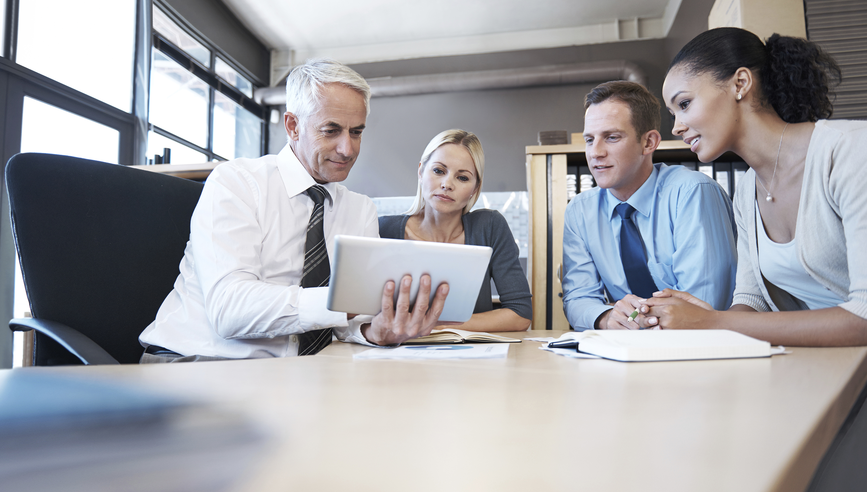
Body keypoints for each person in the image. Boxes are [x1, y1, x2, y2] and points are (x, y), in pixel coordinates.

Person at [139, 59, 449, 362]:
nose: (348, 149)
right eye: (331, 130)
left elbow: (350, 320)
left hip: (293, 372)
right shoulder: (237, 183)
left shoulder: (359, 209)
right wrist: (342, 304)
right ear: (293, 126)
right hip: (197, 362)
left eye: (356, 132)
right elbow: (229, 310)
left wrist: (374, 330)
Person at [645, 27, 867, 346]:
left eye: (684, 104)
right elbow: (753, 302)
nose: (677, 127)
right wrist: (702, 321)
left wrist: (715, 322)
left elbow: (863, 318)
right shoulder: (748, 190)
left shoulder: (851, 151)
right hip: (824, 370)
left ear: (740, 84)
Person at [561, 80, 737, 331]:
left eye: (611, 137)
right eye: (590, 140)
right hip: (627, 350)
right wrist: (608, 317)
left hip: (701, 350)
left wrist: (636, 317)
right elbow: (578, 299)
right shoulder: (580, 211)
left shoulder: (693, 192)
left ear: (649, 142)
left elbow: (705, 304)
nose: (595, 153)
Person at [378, 129, 532, 332]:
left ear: (475, 189)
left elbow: (520, 314)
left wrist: (438, 327)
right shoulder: (383, 230)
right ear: (421, 172)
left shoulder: (489, 226)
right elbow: (361, 314)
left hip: (469, 357)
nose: (447, 184)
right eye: (439, 171)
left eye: (462, 178)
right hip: (398, 355)